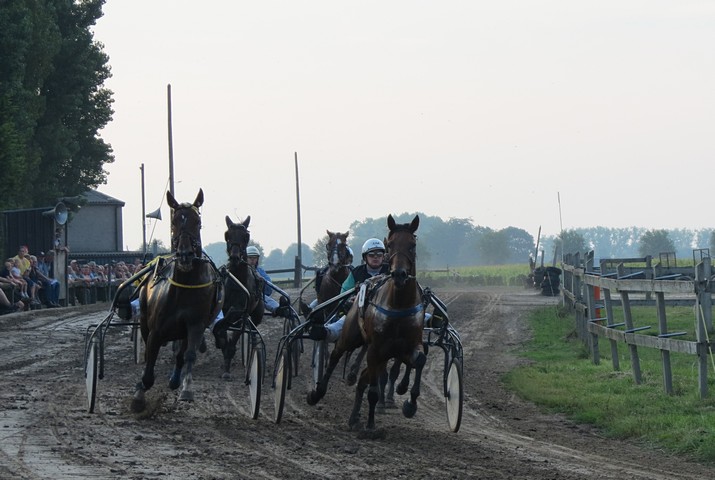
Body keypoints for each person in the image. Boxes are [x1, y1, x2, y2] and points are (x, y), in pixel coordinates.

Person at [309, 238, 389, 342]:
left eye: (379, 254)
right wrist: (348, 301)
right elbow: (344, 292)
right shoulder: (356, 272)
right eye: (371, 255)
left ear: (383, 256)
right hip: (360, 311)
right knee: (345, 320)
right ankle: (328, 332)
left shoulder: (390, 271)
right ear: (365, 257)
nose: (375, 257)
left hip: (385, 313)